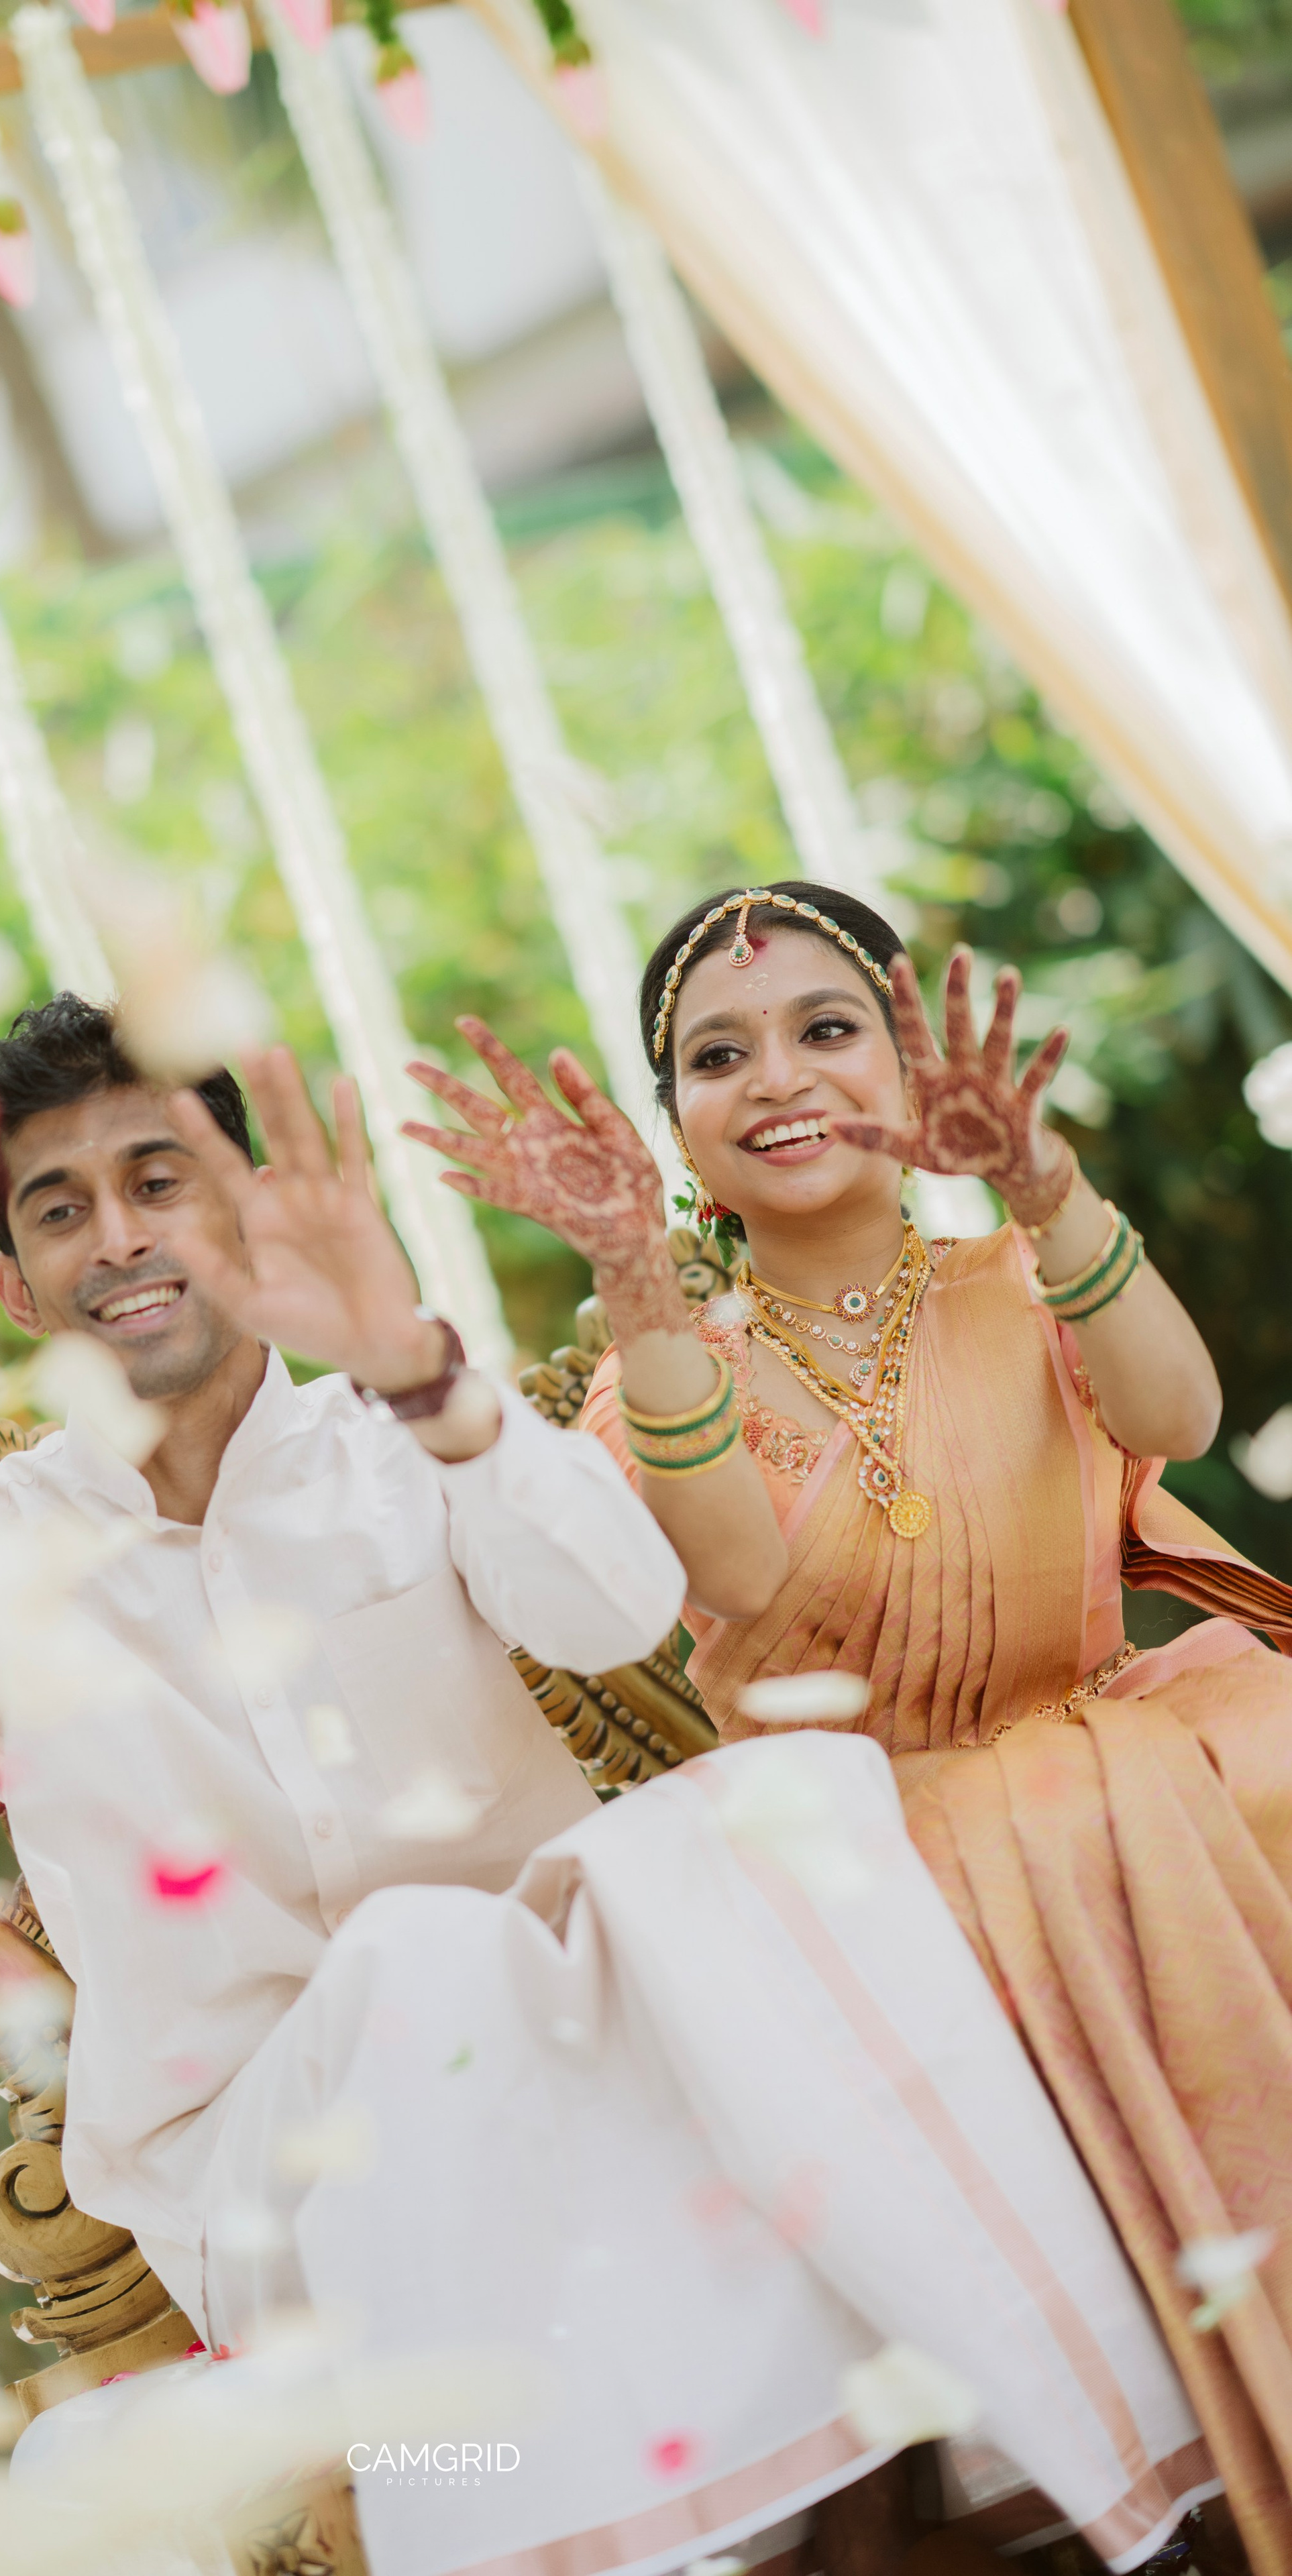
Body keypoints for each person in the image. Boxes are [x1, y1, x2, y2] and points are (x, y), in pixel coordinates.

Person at [0, 994, 1206, 2576]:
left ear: (249, 1207)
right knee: (413, 1957)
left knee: (769, 1819)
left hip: (597, 2079)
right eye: (59, 1206)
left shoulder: (403, 1437)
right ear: (18, 1288)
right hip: (271, 2194)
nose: (118, 1235)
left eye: (160, 1179)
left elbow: (613, 1613)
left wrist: (415, 1372)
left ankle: (968, 2497)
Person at [407, 879, 1292, 2576]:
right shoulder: (661, 1373)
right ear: (670, 1126)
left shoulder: (1023, 1281)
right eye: (716, 1054)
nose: (779, 1077)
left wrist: (1039, 1185)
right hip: (868, 1854)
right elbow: (730, 1567)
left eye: (827, 1029)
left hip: (1118, 1754)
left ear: (912, 1066)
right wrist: (629, 1285)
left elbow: (1177, 1413)